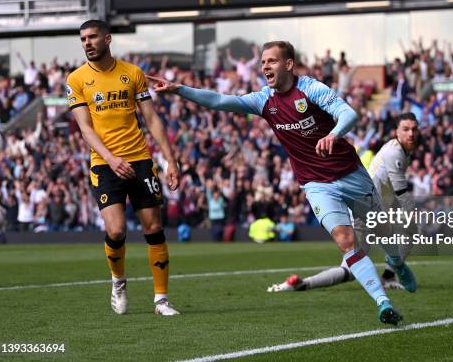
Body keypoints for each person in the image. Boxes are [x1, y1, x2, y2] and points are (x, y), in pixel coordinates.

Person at [147, 41, 403, 325]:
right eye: (263, 62)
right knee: (346, 241)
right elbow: (220, 101)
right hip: (316, 183)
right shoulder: (263, 100)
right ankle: (383, 302)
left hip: (349, 173)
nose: (265, 66)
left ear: (289, 64)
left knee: (383, 231)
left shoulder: (311, 89)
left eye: (272, 61)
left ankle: (398, 265)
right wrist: (178, 89)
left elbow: (349, 114)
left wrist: (334, 134)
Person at [66, 20, 180, 316]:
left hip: (140, 160)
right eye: (83, 39)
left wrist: (170, 159)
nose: (87, 43)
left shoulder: (132, 73)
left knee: (153, 227)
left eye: (92, 37)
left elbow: (152, 119)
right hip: (105, 164)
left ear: (108, 38)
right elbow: (85, 127)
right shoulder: (76, 79)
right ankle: (118, 281)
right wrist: (110, 158)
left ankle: (161, 300)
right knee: (115, 230)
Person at [267, 113, 420, 294]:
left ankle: (387, 275)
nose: (411, 134)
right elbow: (400, 190)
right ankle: (302, 284)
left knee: (356, 265)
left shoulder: (399, 149)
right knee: (353, 267)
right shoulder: (395, 152)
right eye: (406, 129)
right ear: (396, 131)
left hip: (371, 206)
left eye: (414, 129)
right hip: (365, 208)